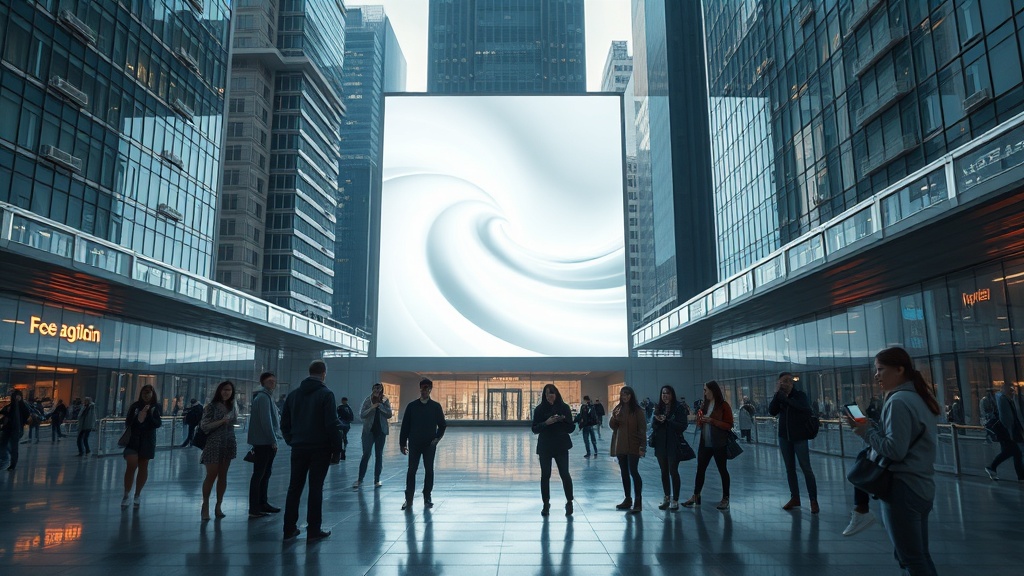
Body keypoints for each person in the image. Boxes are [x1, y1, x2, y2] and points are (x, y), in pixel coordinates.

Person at [846, 347, 940, 575]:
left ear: (899, 369)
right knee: (919, 554)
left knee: (911, 558)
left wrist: (865, 431)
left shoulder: (898, 401)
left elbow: (895, 450)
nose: (876, 375)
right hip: (922, 485)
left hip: (903, 487)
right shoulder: (918, 398)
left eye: (881, 369)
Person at [281, 360, 345, 541]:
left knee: (294, 488)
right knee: (316, 488)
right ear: (324, 373)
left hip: (299, 447)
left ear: (309, 372)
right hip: (320, 448)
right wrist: (337, 449)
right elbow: (331, 424)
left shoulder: (293, 395)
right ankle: (313, 530)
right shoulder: (326, 394)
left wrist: (291, 440)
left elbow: (284, 422)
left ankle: (289, 528)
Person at [769, 372, 819, 514]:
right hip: (784, 437)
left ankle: (813, 500)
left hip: (800, 437)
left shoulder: (800, 395)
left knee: (806, 468)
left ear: (792, 383)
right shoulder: (779, 396)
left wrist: (786, 399)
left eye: (788, 381)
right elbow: (772, 411)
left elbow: (804, 409)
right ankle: (795, 497)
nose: (785, 383)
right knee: (789, 468)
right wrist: (776, 396)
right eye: (782, 381)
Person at [683, 380, 733, 511]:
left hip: (719, 443)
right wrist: (700, 420)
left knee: (722, 469)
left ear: (712, 390)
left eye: (705, 390)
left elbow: (729, 424)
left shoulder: (723, 406)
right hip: (705, 443)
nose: (704, 392)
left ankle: (725, 498)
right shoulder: (705, 405)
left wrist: (712, 421)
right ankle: (696, 495)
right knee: (700, 469)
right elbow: (700, 423)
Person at [399, 378, 447, 511]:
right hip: (414, 443)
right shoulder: (412, 406)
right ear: (420, 389)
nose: (424, 390)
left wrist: (437, 439)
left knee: (429, 470)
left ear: (430, 389)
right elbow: (405, 426)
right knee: (411, 470)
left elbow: (442, 425)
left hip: (429, 445)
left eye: (427, 388)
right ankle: (409, 498)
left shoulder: (435, 407)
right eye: (422, 388)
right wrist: (402, 443)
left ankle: (427, 496)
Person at [531, 383, 575, 516]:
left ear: (556, 394)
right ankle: (546, 503)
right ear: (544, 396)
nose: (550, 396)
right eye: (547, 394)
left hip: (561, 445)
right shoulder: (539, 409)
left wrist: (563, 420)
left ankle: (569, 501)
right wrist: (546, 423)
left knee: (565, 474)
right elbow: (534, 429)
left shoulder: (564, 407)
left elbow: (571, 428)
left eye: (552, 393)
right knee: (545, 475)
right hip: (545, 446)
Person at [200, 381, 239, 520]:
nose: (226, 392)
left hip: (228, 442)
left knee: (223, 475)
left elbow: (235, 421)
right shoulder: (211, 407)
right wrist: (221, 421)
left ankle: (218, 505)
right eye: (224, 390)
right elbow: (204, 426)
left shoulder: (233, 406)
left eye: (229, 390)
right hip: (213, 443)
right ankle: (205, 505)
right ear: (219, 391)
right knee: (211, 474)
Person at [121, 384, 162, 508]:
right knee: (131, 465)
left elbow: (157, 423)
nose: (146, 395)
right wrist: (138, 417)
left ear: (152, 394)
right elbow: (128, 422)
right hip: (134, 439)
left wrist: (148, 415)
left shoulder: (156, 407)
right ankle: (126, 494)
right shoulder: (135, 406)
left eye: (149, 392)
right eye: (144, 392)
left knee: (143, 466)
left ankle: (137, 494)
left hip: (147, 441)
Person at [248, 372, 283, 518]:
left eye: (274, 381)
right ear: (263, 382)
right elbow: (266, 421)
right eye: (269, 381)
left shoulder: (266, 396)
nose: (272, 383)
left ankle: (262, 503)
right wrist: (272, 440)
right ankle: (255, 507)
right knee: (260, 474)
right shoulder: (263, 397)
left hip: (265, 441)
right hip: (264, 442)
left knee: (264, 474)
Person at [651, 385, 688, 511]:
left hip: (673, 444)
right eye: (663, 393)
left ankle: (675, 499)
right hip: (661, 444)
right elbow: (653, 426)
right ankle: (666, 497)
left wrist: (667, 421)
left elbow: (683, 425)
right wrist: (657, 420)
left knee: (673, 470)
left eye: (667, 393)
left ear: (672, 394)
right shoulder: (658, 407)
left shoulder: (678, 408)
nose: (665, 395)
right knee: (664, 471)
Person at [610, 386, 646, 513]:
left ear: (631, 396)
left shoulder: (637, 411)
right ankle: (627, 498)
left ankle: (638, 500)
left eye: (627, 394)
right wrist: (614, 417)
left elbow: (642, 429)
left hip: (634, 445)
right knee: (624, 472)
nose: (624, 397)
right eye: (622, 394)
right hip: (621, 445)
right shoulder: (618, 409)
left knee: (633, 471)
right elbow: (612, 426)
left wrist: (642, 446)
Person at [354, 383, 393, 488]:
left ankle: (377, 480)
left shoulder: (385, 400)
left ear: (381, 390)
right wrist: (372, 407)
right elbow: (362, 414)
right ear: (372, 389)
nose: (377, 391)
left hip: (381, 432)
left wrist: (380, 406)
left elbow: (389, 414)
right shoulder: (367, 400)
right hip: (368, 431)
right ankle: (360, 479)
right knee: (366, 454)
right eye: (375, 389)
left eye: (379, 389)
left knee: (379, 455)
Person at [984, 381, 1024, 482]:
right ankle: (992, 467)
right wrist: (1010, 432)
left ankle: (1020, 476)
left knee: (1014, 452)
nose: (1012, 391)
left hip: (1007, 431)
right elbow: (1007, 418)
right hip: (1006, 432)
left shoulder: (1005, 399)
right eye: (1010, 389)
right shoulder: (1003, 399)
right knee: (1014, 451)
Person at [0, 390, 31, 471]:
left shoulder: (22, 406)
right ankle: (6, 460)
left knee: (12, 447)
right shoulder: (10, 406)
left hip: (16, 429)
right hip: (8, 428)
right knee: (4, 445)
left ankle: (11, 464)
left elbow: (26, 415)